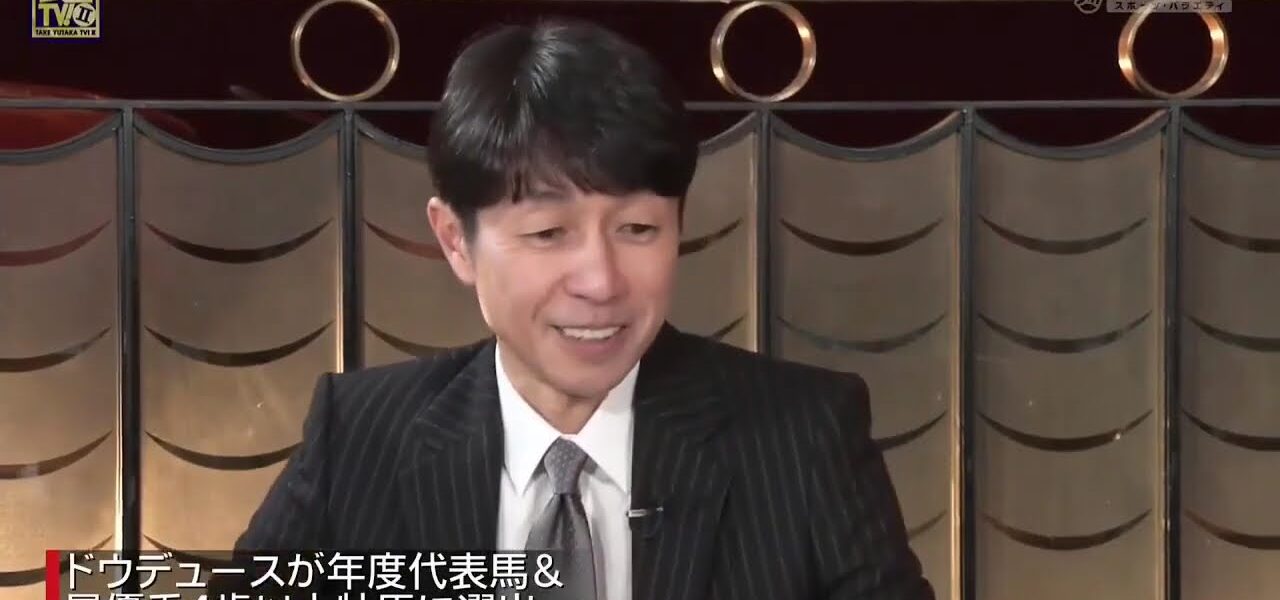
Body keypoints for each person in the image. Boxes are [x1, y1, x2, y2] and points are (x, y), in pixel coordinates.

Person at [234, 18, 934, 600]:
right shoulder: (358, 438)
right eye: (548, 234)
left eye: (639, 229)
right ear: (456, 241)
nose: (601, 282)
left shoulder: (804, 437)